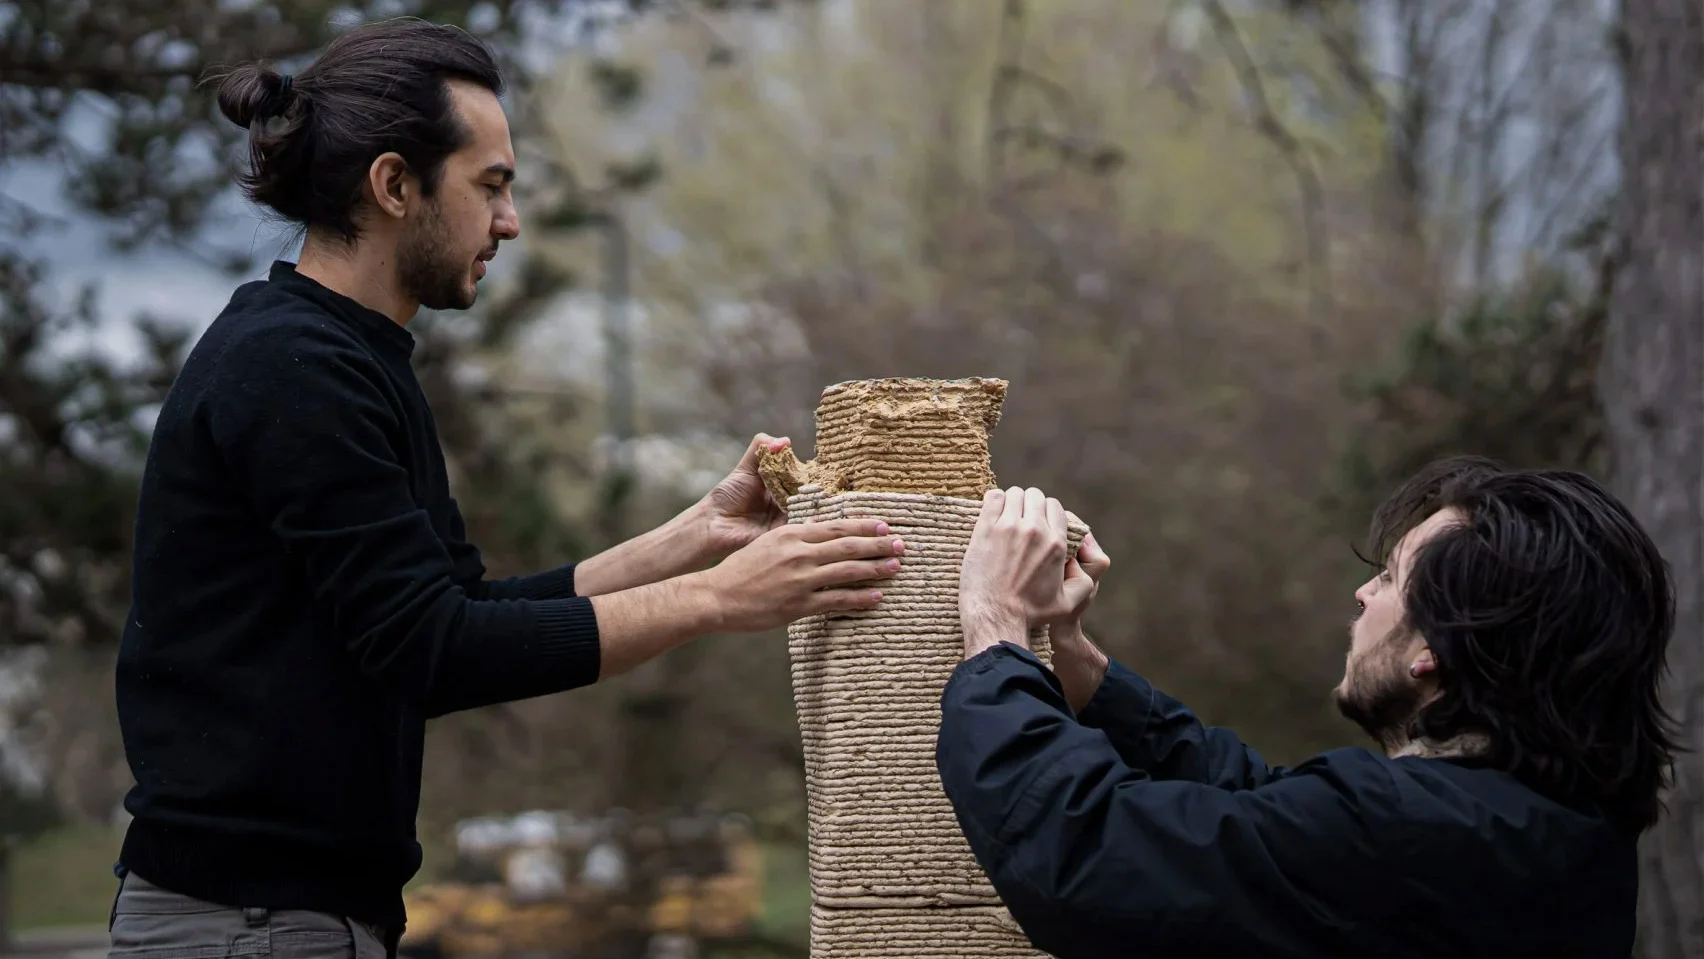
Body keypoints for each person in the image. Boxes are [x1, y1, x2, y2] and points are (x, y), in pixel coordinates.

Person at [107, 19, 905, 959]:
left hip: (282, 924)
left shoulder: (348, 359)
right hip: (247, 927)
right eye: (491, 185)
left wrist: (697, 537)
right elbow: (436, 650)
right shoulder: (293, 369)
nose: (511, 220)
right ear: (395, 185)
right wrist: (720, 600)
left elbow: (456, 615)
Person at [942, 458, 1678, 958]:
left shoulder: (1407, 831)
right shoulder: (1547, 828)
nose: (1363, 595)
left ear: (1438, 653)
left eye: (1390, 580)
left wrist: (998, 624)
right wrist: (1086, 672)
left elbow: (1085, 857)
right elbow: (1264, 820)